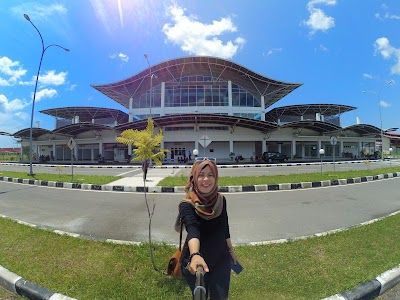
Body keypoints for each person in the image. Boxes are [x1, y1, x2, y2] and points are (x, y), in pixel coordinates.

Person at [178, 158, 238, 299]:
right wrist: (195, 255)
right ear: (195, 178)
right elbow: (193, 229)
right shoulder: (187, 204)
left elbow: (225, 228)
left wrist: (231, 251)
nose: (206, 179)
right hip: (197, 264)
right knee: (200, 296)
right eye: (201, 175)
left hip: (221, 261)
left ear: (216, 177)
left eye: (210, 175)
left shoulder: (221, 200)